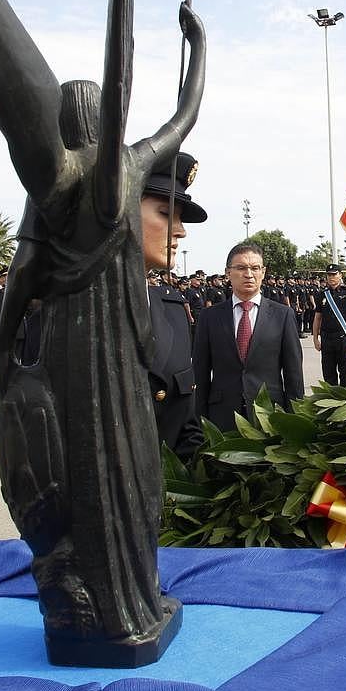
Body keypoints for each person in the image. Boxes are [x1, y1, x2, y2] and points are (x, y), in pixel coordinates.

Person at [192, 242, 304, 432]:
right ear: (228, 273)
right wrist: (200, 423)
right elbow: (200, 373)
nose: (249, 274)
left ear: (263, 272)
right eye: (241, 268)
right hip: (222, 416)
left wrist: (294, 421)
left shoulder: (283, 315)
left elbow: (294, 374)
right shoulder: (209, 317)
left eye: (255, 268)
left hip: (270, 416)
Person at [141, 153, 207, 460]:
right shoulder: (65, 312)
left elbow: (185, 425)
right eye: (167, 214)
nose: (180, 231)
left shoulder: (171, 311)